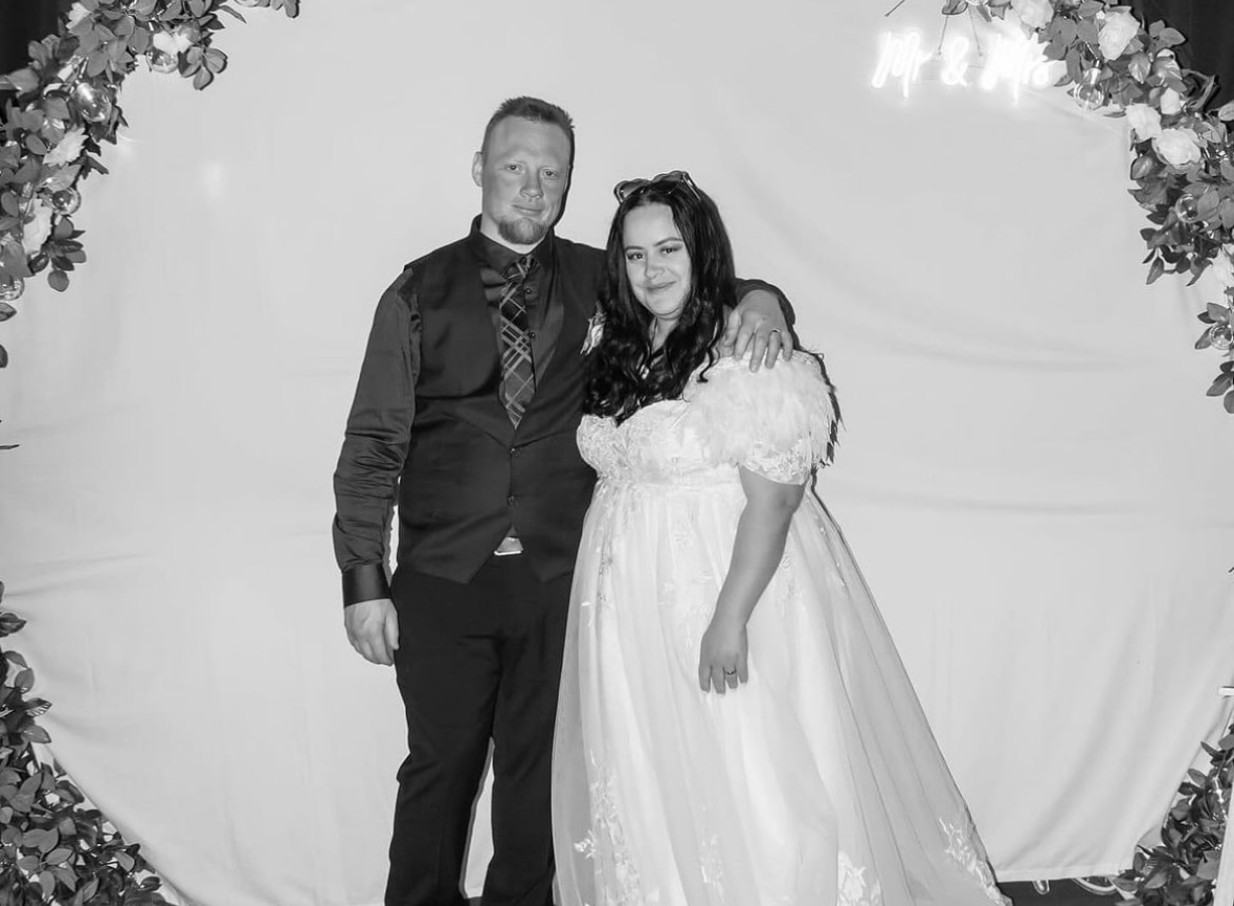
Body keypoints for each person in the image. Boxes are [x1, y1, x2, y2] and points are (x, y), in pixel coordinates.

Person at [331, 98, 792, 906]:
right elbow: (372, 443)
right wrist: (362, 578)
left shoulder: (597, 277)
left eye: (552, 172)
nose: (534, 187)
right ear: (480, 169)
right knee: (438, 769)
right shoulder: (414, 291)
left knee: (538, 777)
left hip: (562, 578)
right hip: (443, 577)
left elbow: (691, 283)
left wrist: (763, 300)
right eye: (515, 166)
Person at [551, 171, 1010, 906]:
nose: (652, 270)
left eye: (669, 249)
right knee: (654, 768)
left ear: (701, 252)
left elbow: (774, 506)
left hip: (728, 594)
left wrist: (729, 619)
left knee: (752, 772)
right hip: (628, 606)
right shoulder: (613, 344)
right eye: (635, 256)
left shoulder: (748, 350)